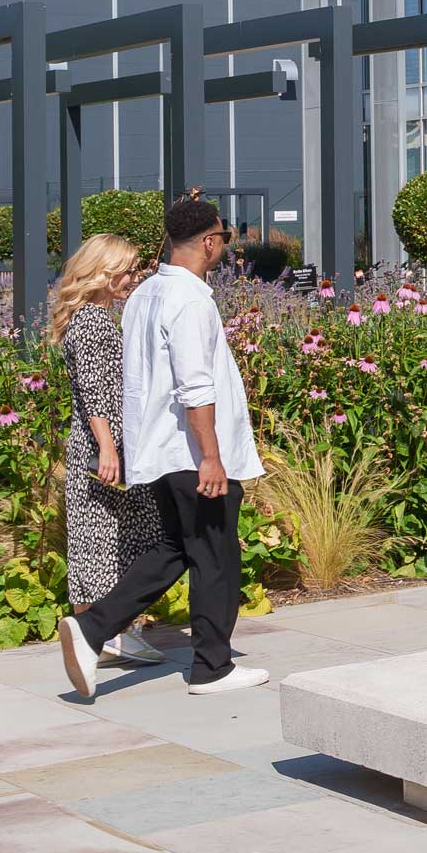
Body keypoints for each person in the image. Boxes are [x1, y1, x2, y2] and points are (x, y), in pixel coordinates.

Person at [57, 197, 269, 698]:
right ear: (210, 243)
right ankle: (212, 667)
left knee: (173, 550)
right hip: (193, 456)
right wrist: (212, 457)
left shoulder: (144, 295)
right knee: (216, 557)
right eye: (224, 238)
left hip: (158, 453)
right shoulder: (191, 299)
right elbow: (194, 385)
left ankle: (91, 629)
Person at [48, 233, 166, 669]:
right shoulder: (94, 322)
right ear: (104, 272)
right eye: (129, 270)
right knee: (111, 542)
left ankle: (101, 634)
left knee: (100, 542)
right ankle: (105, 633)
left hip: (100, 446)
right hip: (105, 447)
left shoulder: (86, 318)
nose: (134, 278)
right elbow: (95, 391)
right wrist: (108, 448)